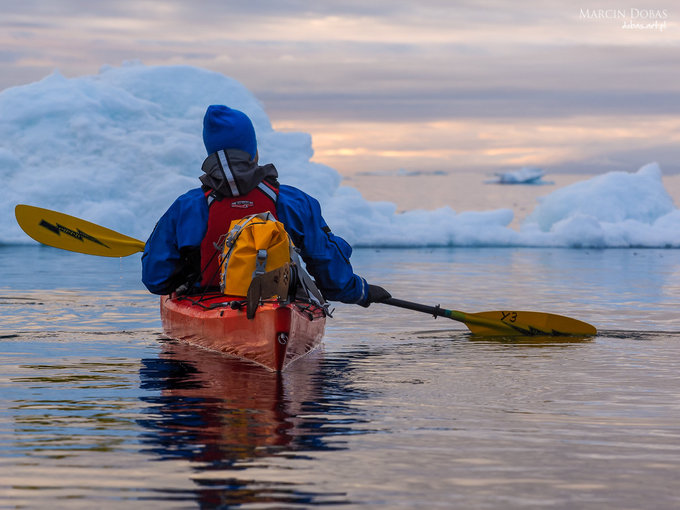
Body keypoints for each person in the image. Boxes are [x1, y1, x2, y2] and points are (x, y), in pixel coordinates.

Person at [141, 104, 391, 308]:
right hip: (277, 306)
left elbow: (156, 279)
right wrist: (361, 291)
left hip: (208, 303)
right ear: (253, 151)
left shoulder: (187, 206)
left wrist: (184, 271)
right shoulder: (293, 201)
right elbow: (328, 269)